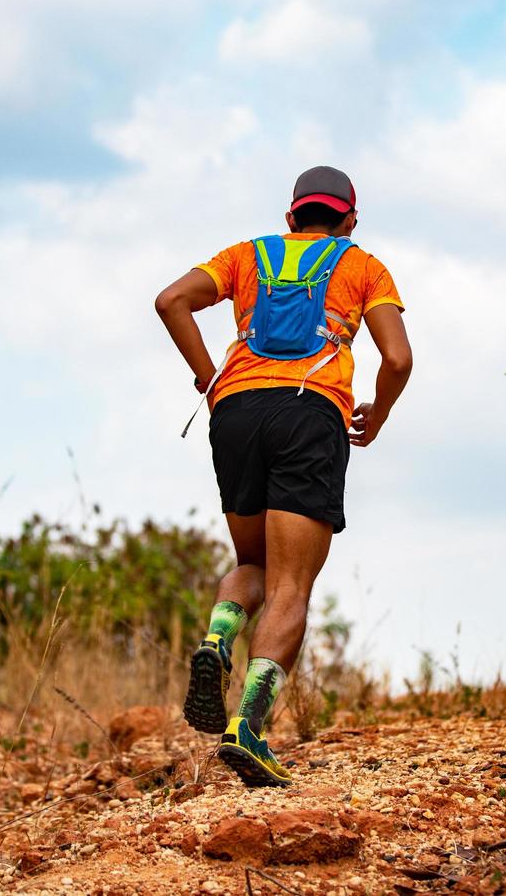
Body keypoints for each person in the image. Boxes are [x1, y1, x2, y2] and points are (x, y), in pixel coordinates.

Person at [153, 165, 412, 787]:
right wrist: (378, 413)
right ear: (349, 219)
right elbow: (398, 357)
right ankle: (248, 729)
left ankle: (218, 637)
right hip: (308, 410)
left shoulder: (246, 255)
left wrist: (207, 374)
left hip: (235, 412)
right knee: (291, 583)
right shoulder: (363, 265)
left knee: (256, 567)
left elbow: (170, 302)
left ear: (291, 216)